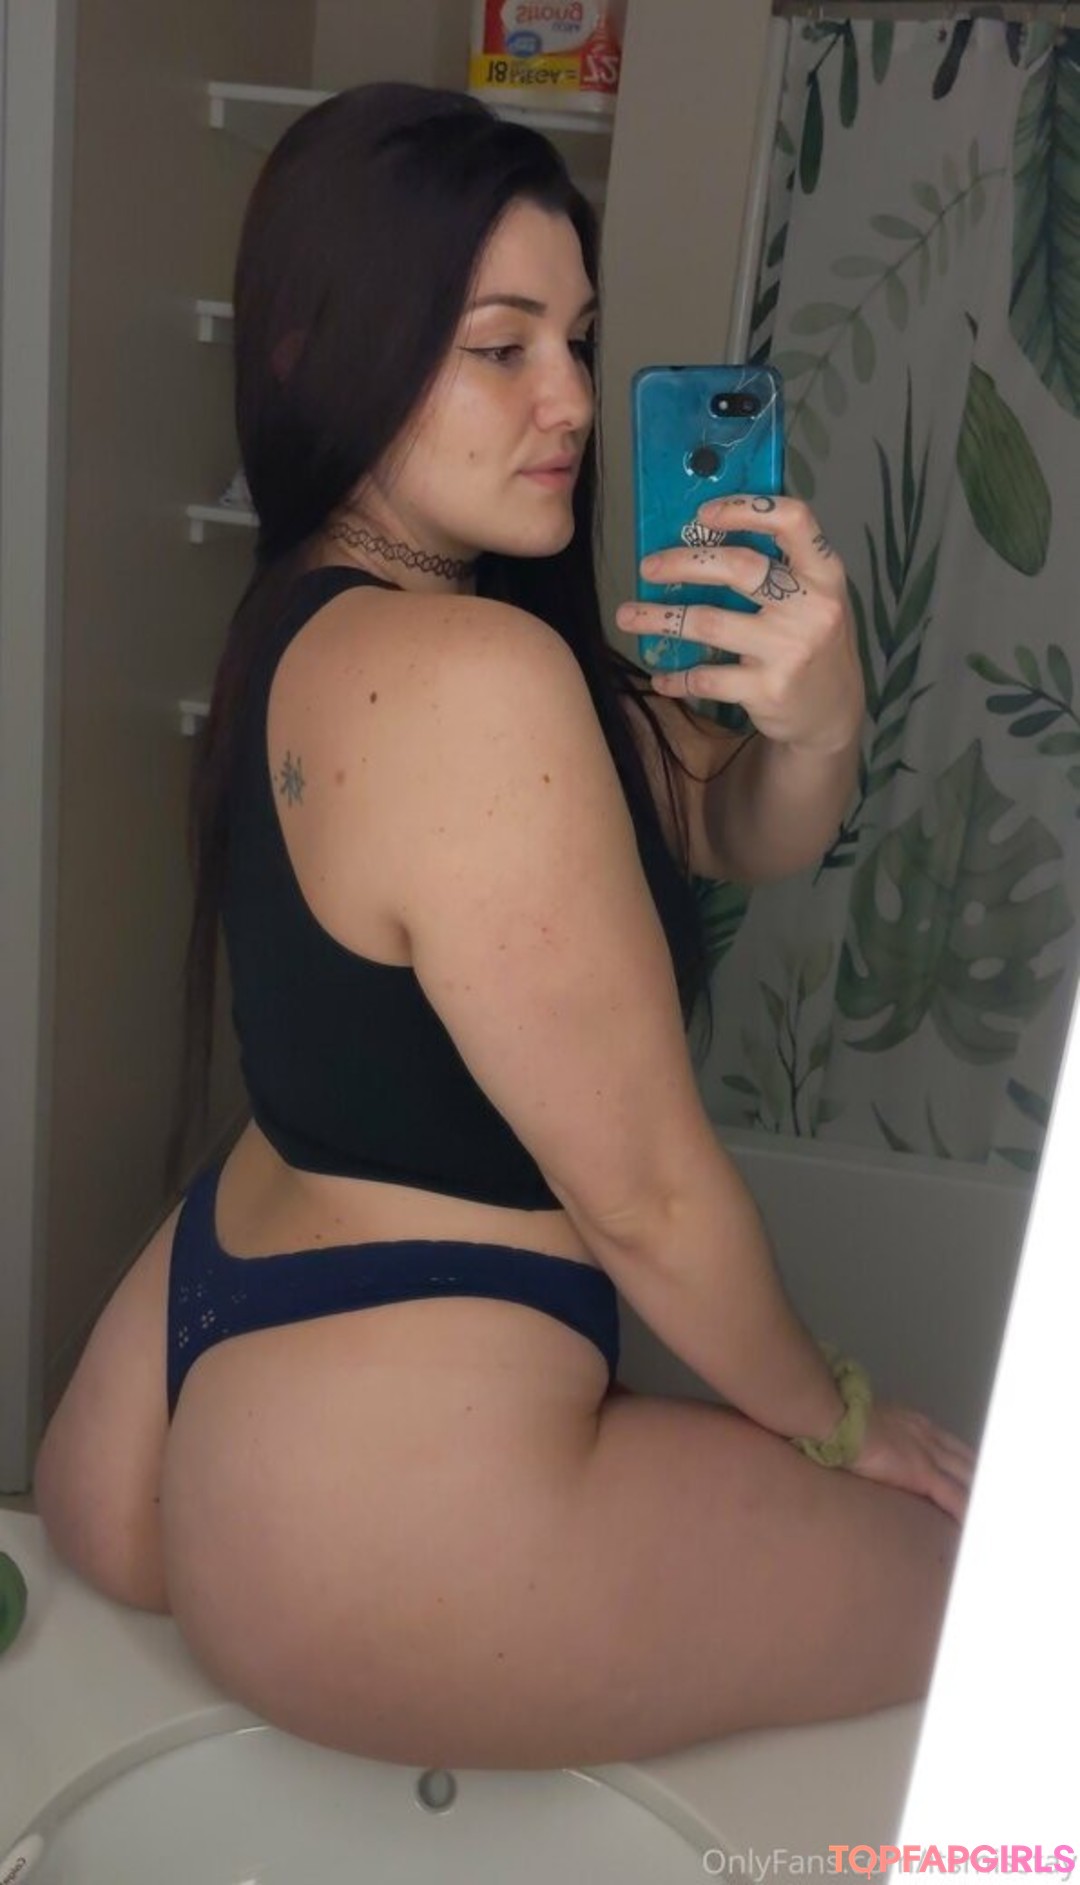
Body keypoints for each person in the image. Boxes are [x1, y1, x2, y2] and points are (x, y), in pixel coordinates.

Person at [33, 82, 975, 1771]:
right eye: (500, 347)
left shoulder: (311, 623)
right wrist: (839, 1417)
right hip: (381, 1502)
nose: (573, 400)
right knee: (987, 1594)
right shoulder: (473, 679)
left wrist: (818, 723)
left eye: (580, 339)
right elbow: (648, 1196)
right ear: (330, 352)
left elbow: (731, 823)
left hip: (195, 1352)